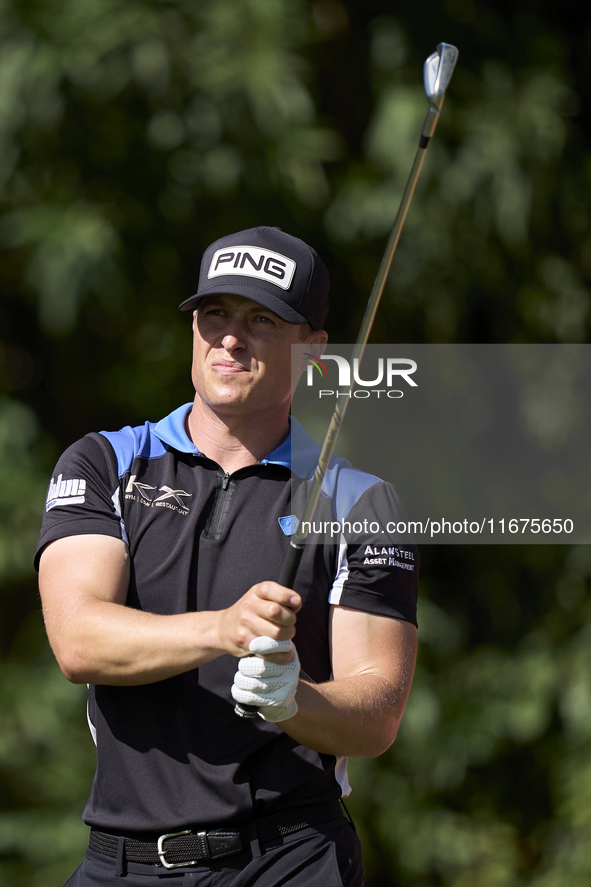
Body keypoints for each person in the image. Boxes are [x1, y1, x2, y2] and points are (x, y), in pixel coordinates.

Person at [36, 226, 418, 886]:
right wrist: (223, 628)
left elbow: (377, 711)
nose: (230, 339)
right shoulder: (105, 462)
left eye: (261, 319)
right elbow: (77, 640)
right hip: (119, 861)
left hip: (290, 857)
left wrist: (292, 701)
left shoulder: (360, 501)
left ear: (312, 351)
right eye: (214, 313)